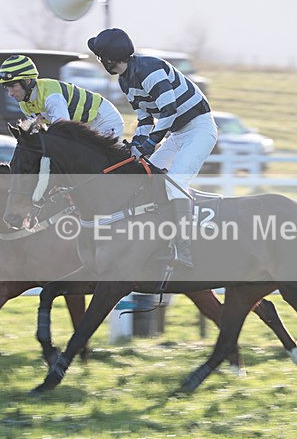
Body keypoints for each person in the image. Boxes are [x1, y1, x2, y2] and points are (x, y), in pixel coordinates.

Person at [88, 28, 217, 267]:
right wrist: (137, 145)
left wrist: (148, 144)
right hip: (178, 134)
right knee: (145, 177)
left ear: (108, 59)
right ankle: (154, 236)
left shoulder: (150, 69)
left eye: (100, 57)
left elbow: (169, 111)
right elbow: (145, 118)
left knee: (175, 182)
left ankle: (183, 247)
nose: (100, 62)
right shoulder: (125, 80)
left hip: (199, 129)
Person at [0, 54, 123, 139]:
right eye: (7, 87)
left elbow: (63, 131)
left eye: (13, 86)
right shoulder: (24, 103)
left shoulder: (52, 96)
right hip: (84, 126)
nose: (10, 93)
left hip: (103, 119)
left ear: (27, 81)